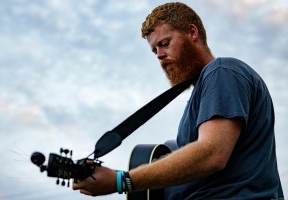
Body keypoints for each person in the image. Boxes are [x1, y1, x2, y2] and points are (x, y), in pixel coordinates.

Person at [73, 2, 284, 199]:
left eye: (165, 43)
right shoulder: (203, 92)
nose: (159, 55)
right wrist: (113, 177)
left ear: (192, 33)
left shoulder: (221, 71)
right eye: (154, 50)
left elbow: (212, 154)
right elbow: (190, 173)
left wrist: (122, 181)